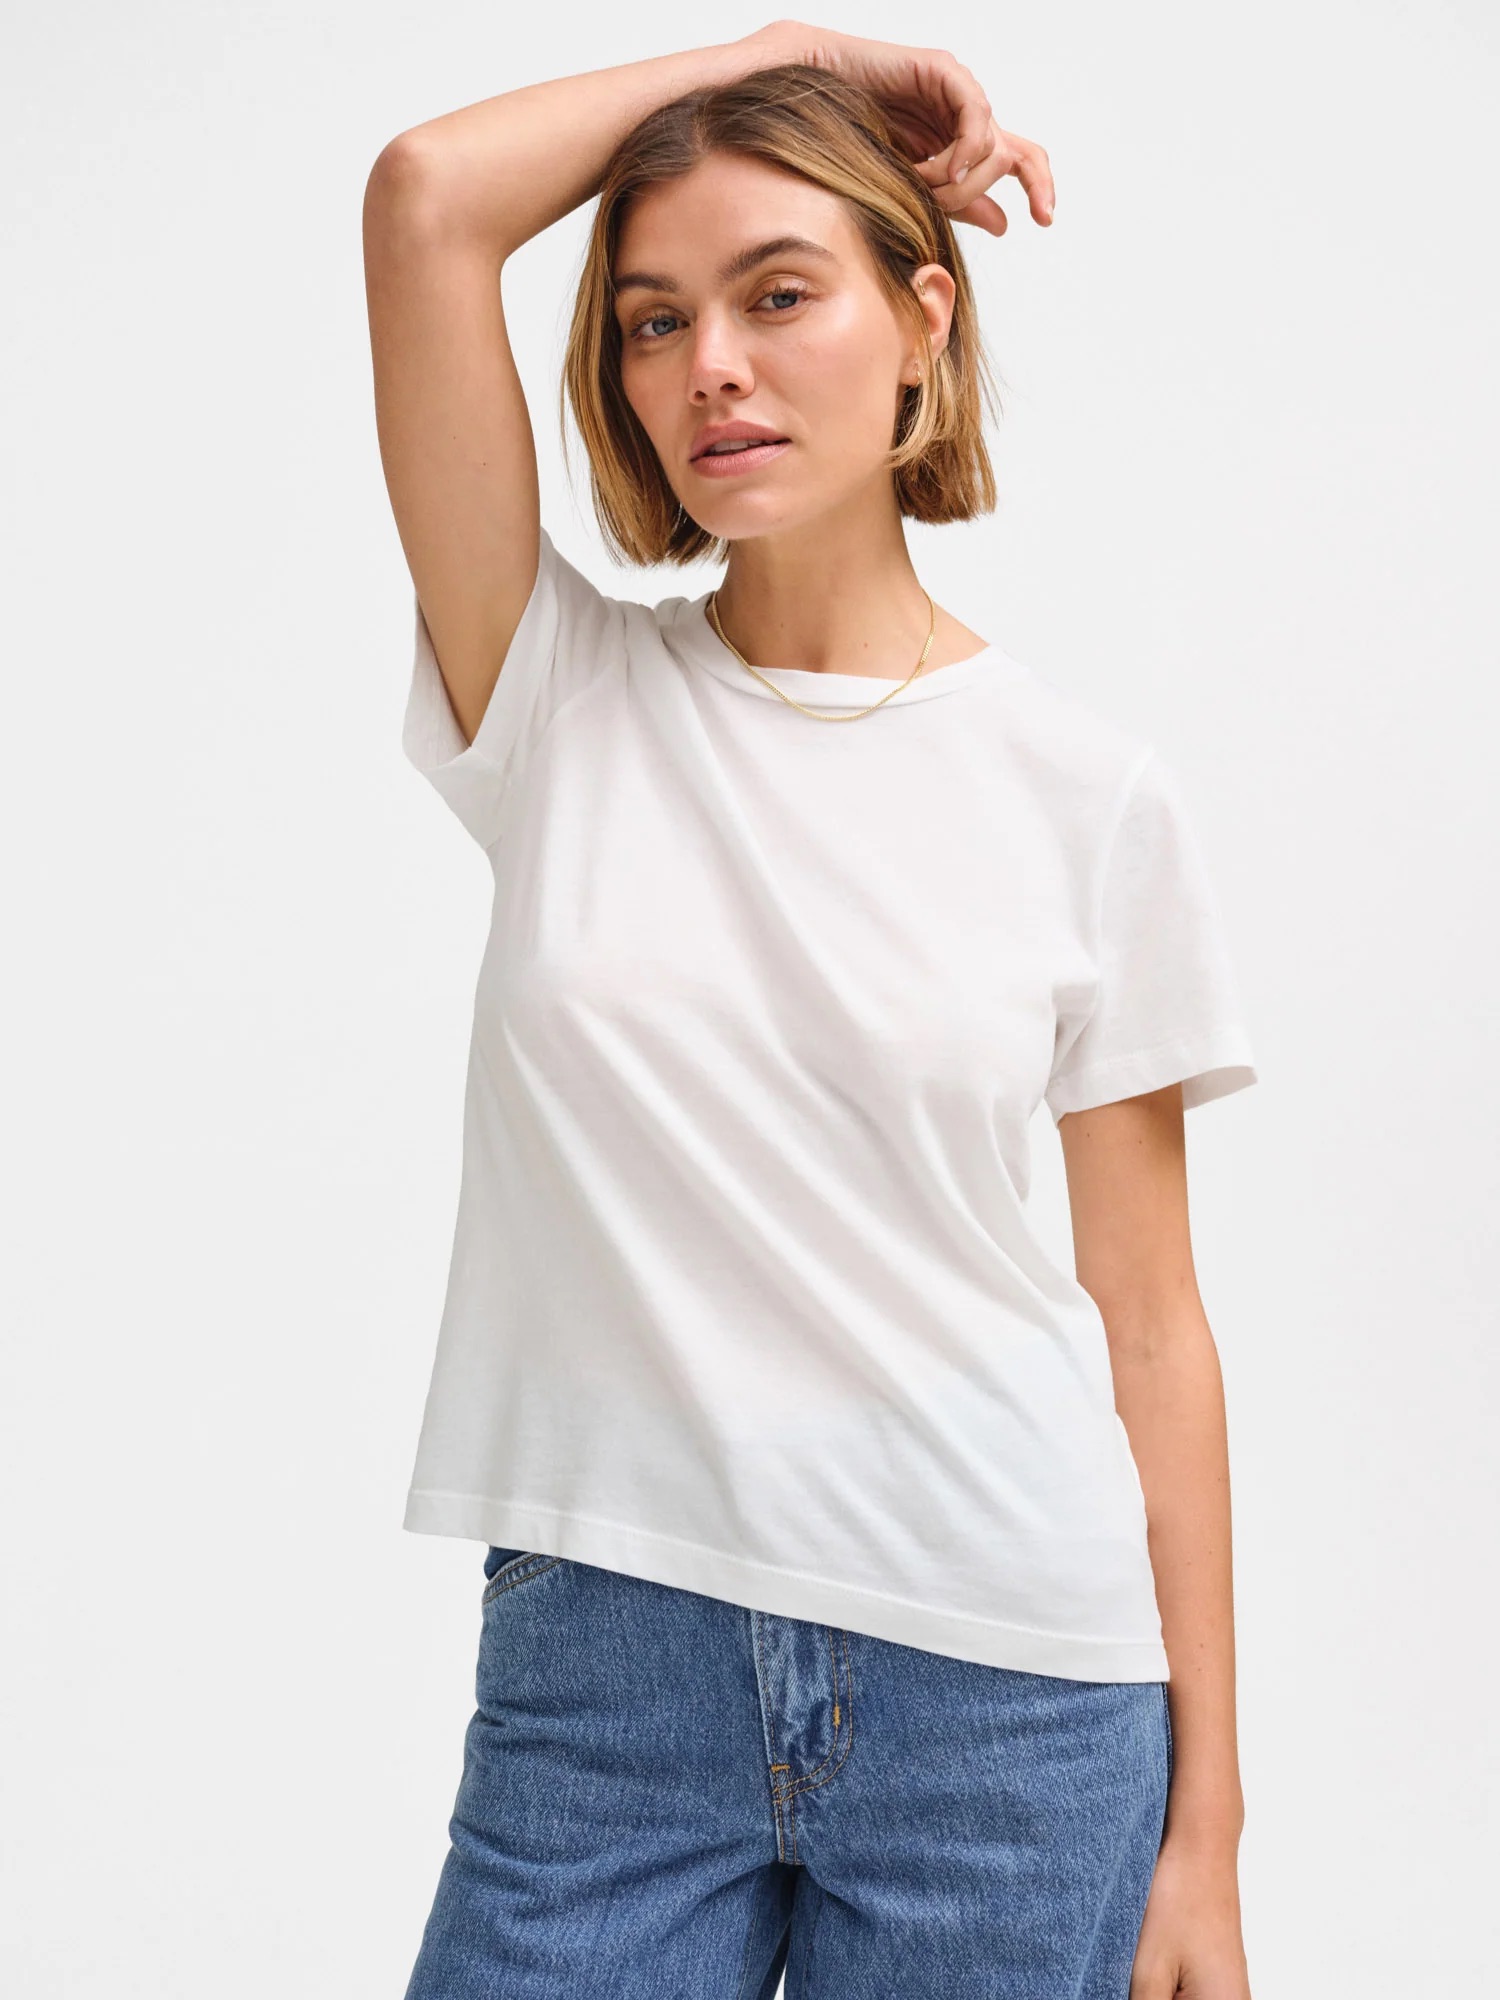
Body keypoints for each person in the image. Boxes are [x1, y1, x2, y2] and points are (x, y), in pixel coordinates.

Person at [363, 23, 1257, 1999]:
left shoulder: (1089, 797)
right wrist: (791, 50)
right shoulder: (558, 703)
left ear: (922, 317)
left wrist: (1208, 1832)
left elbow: (1153, 1319)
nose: (716, 370)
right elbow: (428, 199)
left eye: (783, 295)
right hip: (606, 1681)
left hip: (1012, 1692)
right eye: (655, 321)